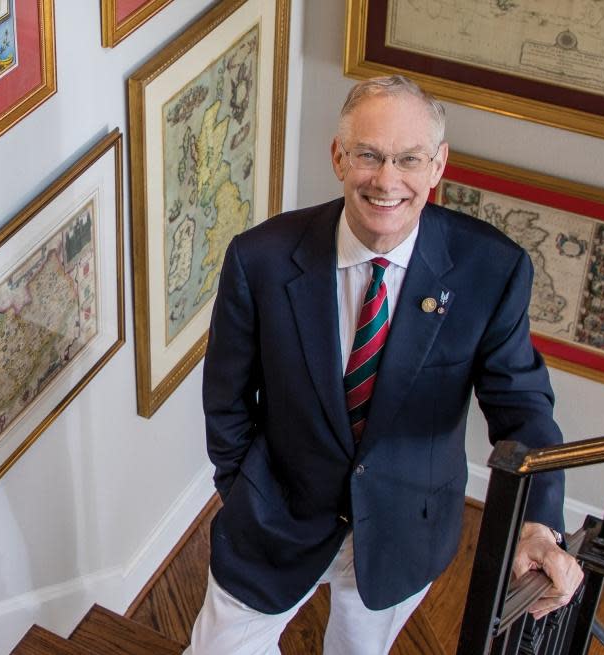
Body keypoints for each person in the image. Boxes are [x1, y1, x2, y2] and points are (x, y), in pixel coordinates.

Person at [186, 75, 583, 655]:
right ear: (339, 157)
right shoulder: (260, 258)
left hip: (405, 528)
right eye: (369, 155)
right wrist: (243, 487)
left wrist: (538, 523)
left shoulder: (491, 271)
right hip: (276, 517)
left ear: (438, 165)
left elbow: (522, 407)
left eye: (408, 159)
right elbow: (225, 395)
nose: (387, 180)